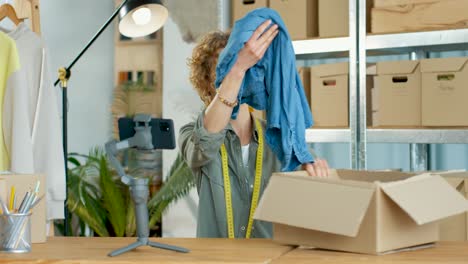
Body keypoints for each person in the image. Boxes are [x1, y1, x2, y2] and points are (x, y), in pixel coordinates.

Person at [180, 20, 330, 239]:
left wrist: (314, 170)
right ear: (207, 79)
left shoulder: (279, 139)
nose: (237, 73)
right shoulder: (191, 134)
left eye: (242, 66)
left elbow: (312, 197)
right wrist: (238, 67)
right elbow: (204, 144)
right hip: (214, 259)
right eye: (223, 66)